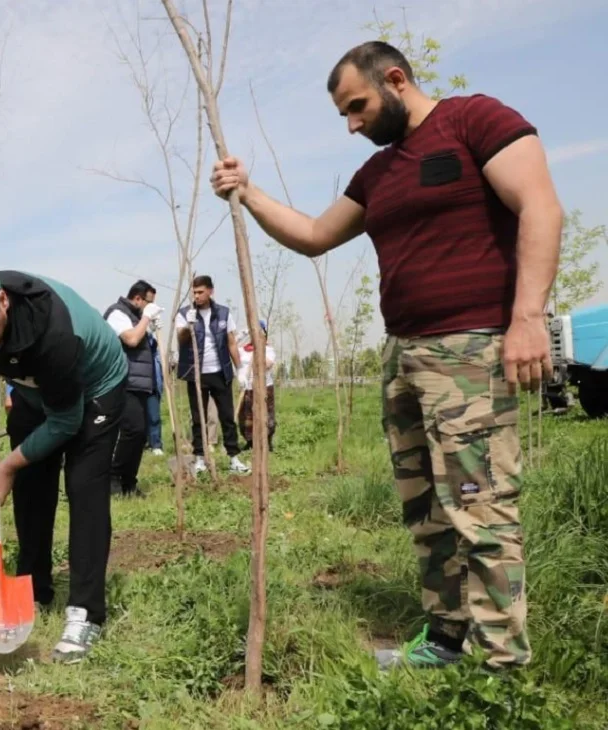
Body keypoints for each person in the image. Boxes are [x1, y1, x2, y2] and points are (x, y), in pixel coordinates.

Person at [209, 41, 561, 671]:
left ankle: (504, 670)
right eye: (345, 114)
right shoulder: (378, 173)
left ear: (396, 79)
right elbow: (316, 236)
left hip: (470, 353)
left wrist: (528, 317)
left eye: (358, 106)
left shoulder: (474, 121)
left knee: (480, 507)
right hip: (404, 359)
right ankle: (449, 641)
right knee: (426, 509)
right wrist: (247, 192)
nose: (352, 124)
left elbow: (541, 206)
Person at [0, 264, 127, 664]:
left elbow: (66, 421)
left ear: (3, 302)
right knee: (31, 487)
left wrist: (6, 465)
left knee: (84, 488)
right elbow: (4, 357)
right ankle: (34, 589)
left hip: (95, 389)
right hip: (40, 389)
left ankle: (85, 613)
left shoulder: (55, 335)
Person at [174, 276, 250, 475]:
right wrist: (188, 326)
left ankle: (234, 458)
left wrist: (240, 368)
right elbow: (181, 340)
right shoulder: (185, 314)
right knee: (198, 418)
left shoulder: (223, 313)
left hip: (220, 372)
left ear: (210, 291)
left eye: (200, 292)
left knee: (226, 416)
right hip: (196, 375)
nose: (197, 296)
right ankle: (199, 458)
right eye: (194, 292)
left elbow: (231, 342)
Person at [103, 280, 163, 498]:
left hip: (140, 384)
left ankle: (129, 481)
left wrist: (150, 328)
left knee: (140, 435)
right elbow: (130, 339)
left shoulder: (136, 318)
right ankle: (113, 476)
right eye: (148, 303)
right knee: (132, 431)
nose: (150, 307)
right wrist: (146, 318)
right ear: (137, 298)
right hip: (123, 382)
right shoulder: (117, 313)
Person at [237, 320, 277, 452]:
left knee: (266, 415)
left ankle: (267, 441)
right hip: (246, 388)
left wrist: (259, 349)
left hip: (264, 387)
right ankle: (250, 442)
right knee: (245, 417)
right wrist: (241, 335)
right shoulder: (242, 350)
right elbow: (229, 347)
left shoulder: (269, 350)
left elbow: (267, 364)